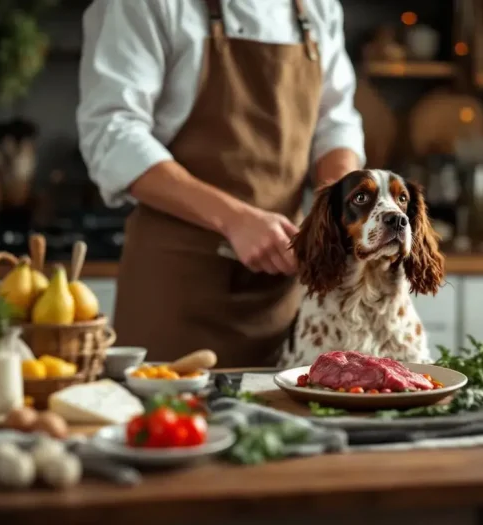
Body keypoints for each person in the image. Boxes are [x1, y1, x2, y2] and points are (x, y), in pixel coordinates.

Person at [77, 0, 365, 366]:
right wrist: (235, 219)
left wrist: (339, 214)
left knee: (286, 422)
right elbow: (112, 134)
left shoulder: (318, 8)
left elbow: (335, 124)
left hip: (284, 295)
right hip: (177, 292)